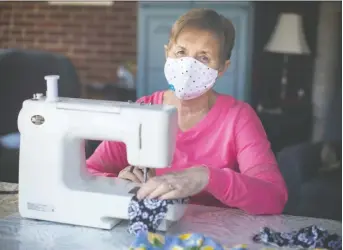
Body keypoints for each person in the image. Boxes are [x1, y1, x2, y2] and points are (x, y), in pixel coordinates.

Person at [87, 8, 288, 215]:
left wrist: (206, 177)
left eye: (204, 58)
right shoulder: (143, 111)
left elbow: (273, 196)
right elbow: (88, 171)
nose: (188, 67)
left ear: (221, 68)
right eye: (181, 53)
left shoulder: (238, 118)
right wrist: (117, 184)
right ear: (168, 53)